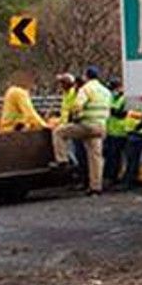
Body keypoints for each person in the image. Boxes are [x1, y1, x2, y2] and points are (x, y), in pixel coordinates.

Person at [52, 67, 112, 195]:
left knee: (59, 132)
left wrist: (76, 118)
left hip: (87, 125)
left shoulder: (86, 89)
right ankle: (96, 187)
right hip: (101, 127)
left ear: (86, 76)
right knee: (95, 157)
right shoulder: (106, 91)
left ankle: (62, 161)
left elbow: (77, 106)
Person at [121, 101, 142, 190]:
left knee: (132, 159)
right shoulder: (135, 102)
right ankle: (128, 180)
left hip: (139, 133)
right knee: (131, 159)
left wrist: (137, 128)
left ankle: (129, 182)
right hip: (134, 132)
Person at [103, 78, 129, 188]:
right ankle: (110, 177)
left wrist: (111, 110)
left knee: (115, 157)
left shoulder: (124, 98)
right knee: (110, 156)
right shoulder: (112, 97)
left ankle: (113, 177)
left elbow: (121, 113)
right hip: (111, 131)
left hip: (121, 131)